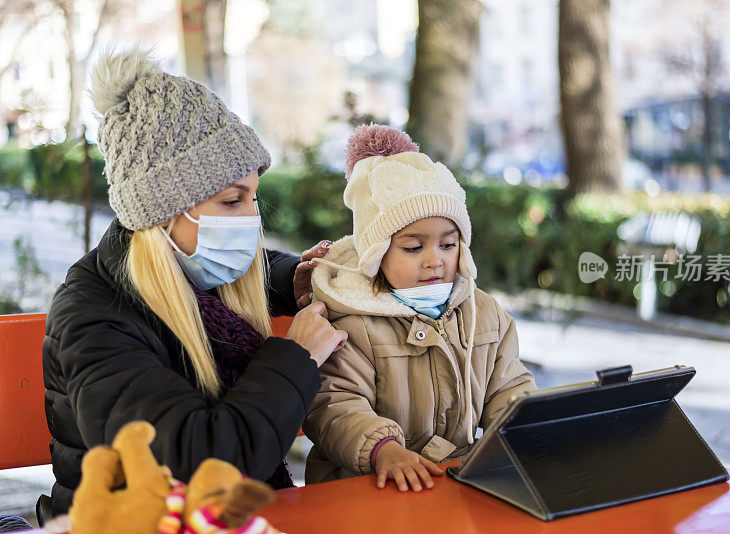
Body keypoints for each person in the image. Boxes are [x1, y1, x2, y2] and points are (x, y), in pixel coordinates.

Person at [41, 49, 347, 516]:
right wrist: (294, 359)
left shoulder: (188, 265)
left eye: (253, 198)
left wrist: (294, 277)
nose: (251, 220)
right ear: (162, 211)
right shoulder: (93, 314)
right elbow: (192, 465)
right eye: (231, 201)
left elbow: (255, 268)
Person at [303, 124, 536, 492]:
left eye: (448, 245)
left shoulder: (485, 315)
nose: (434, 260)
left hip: (455, 479)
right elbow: (335, 403)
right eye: (413, 248)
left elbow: (509, 385)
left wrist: (526, 426)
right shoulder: (350, 323)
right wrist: (382, 449)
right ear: (375, 254)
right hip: (367, 484)